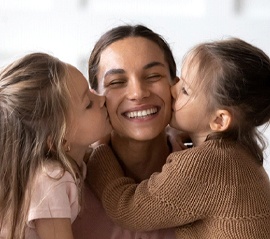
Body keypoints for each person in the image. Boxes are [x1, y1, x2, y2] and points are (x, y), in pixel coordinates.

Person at [87, 38, 270, 238]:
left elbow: (127, 209)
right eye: (117, 82)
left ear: (219, 120)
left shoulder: (202, 165)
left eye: (185, 90)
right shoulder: (239, 153)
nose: (173, 88)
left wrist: (99, 152)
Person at [72, 24, 181, 238]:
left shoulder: (215, 173)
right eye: (117, 82)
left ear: (175, 87)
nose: (138, 93)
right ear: (97, 98)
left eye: (152, 76)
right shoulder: (65, 183)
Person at [0, 53, 112, 239]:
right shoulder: (51, 179)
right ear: (60, 141)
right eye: (88, 104)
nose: (102, 99)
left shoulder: (60, 166)